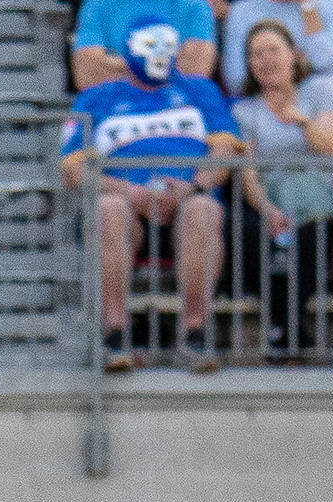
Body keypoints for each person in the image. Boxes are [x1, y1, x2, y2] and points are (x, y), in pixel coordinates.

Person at [63, 21, 238, 371]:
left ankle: (194, 333)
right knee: (109, 208)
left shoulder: (200, 90)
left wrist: (194, 185)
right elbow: (72, 168)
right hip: (124, 200)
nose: (159, 54)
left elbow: (225, 151)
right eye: (148, 45)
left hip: (186, 197)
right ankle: (115, 333)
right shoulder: (96, 97)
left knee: (203, 209)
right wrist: (127, 190)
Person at [231, 23, 333, 351]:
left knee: (315, 235)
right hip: (267, 200)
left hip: (318, 200)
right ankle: (287, 326)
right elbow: (247, 171)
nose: (265, 59)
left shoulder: (323, 91)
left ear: (294, 55)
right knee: (246, 233)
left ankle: (282, 327)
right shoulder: (243, 110)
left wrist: (304, 123)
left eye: (273, 50)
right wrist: (267, 210)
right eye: (256, 53)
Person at [71, 0, 214, 87]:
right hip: (113, 113)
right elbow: (87, 74)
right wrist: (166, 63)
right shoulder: (97, 5)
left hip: (180, 110)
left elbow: (197, 71)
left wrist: (121, 64)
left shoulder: (195, 5)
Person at [217, 0, 333, 90]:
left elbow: (322, 60)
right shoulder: (242, 11)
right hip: (259, 102)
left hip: (318, 100)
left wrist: (308, 6)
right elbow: (235, 79)